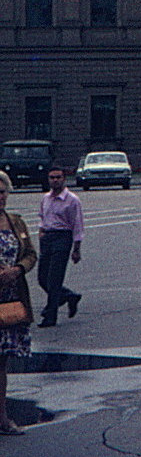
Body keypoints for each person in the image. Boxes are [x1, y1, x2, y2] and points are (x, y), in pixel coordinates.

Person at [0, 171, 37, 435]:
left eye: (2, 191)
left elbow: (31, 254)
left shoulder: (16, 222)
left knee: (2, 362)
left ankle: (2, 418)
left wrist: (18, 269)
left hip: (11, 300)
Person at [35, 167, 84, 328]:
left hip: (62, 238)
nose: (55, 180)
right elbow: (42, 217)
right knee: (43, 278)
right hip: (47, 238)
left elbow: (77, 225)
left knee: (54, 279)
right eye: (52, 177)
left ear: (64, 179)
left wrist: (76, 248)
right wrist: (41, 231)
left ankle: (51, 315)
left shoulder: (72, 200)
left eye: (58, 177)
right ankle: (68, 296)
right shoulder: (46, 198)